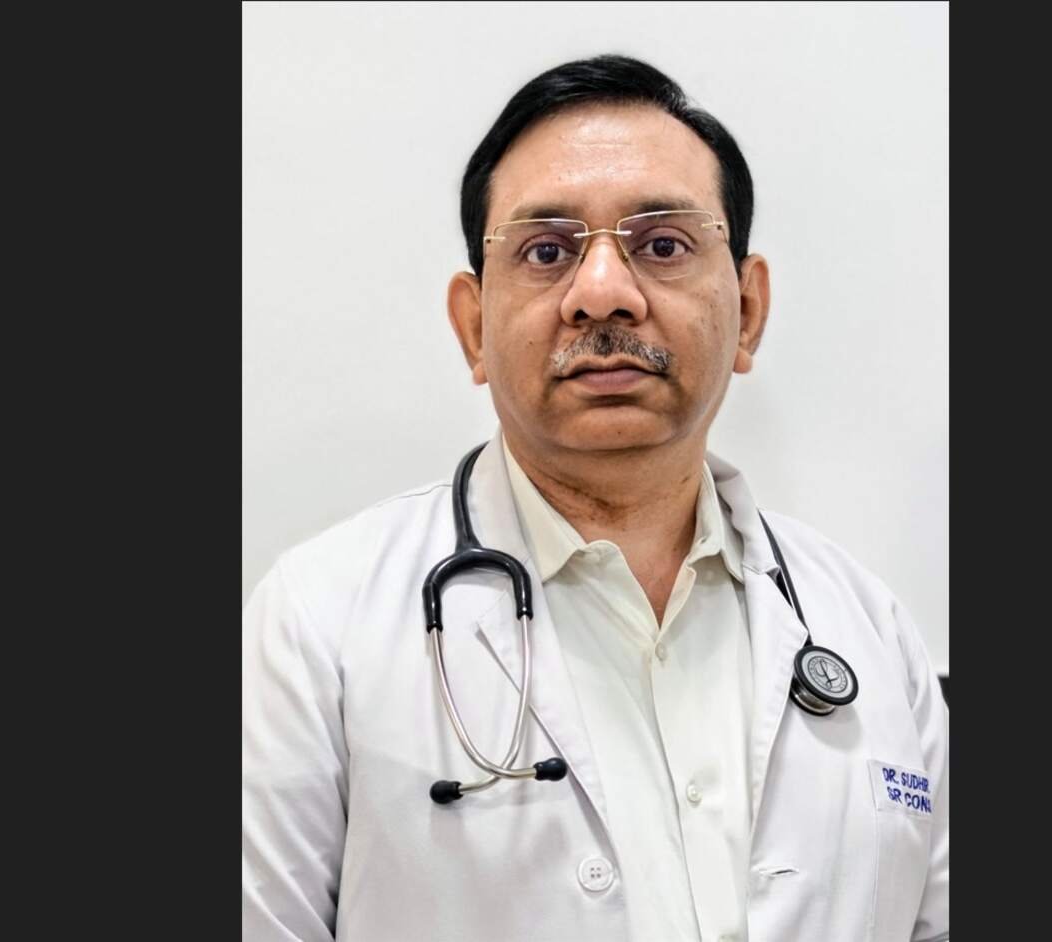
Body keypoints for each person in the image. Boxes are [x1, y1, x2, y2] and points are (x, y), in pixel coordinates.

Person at [242, 54, 948, 942]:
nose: (603, 294)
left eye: (663, 245)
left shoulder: (871, 632)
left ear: (749, 310)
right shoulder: (317, 627)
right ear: (473, 327)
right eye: (546, 252)